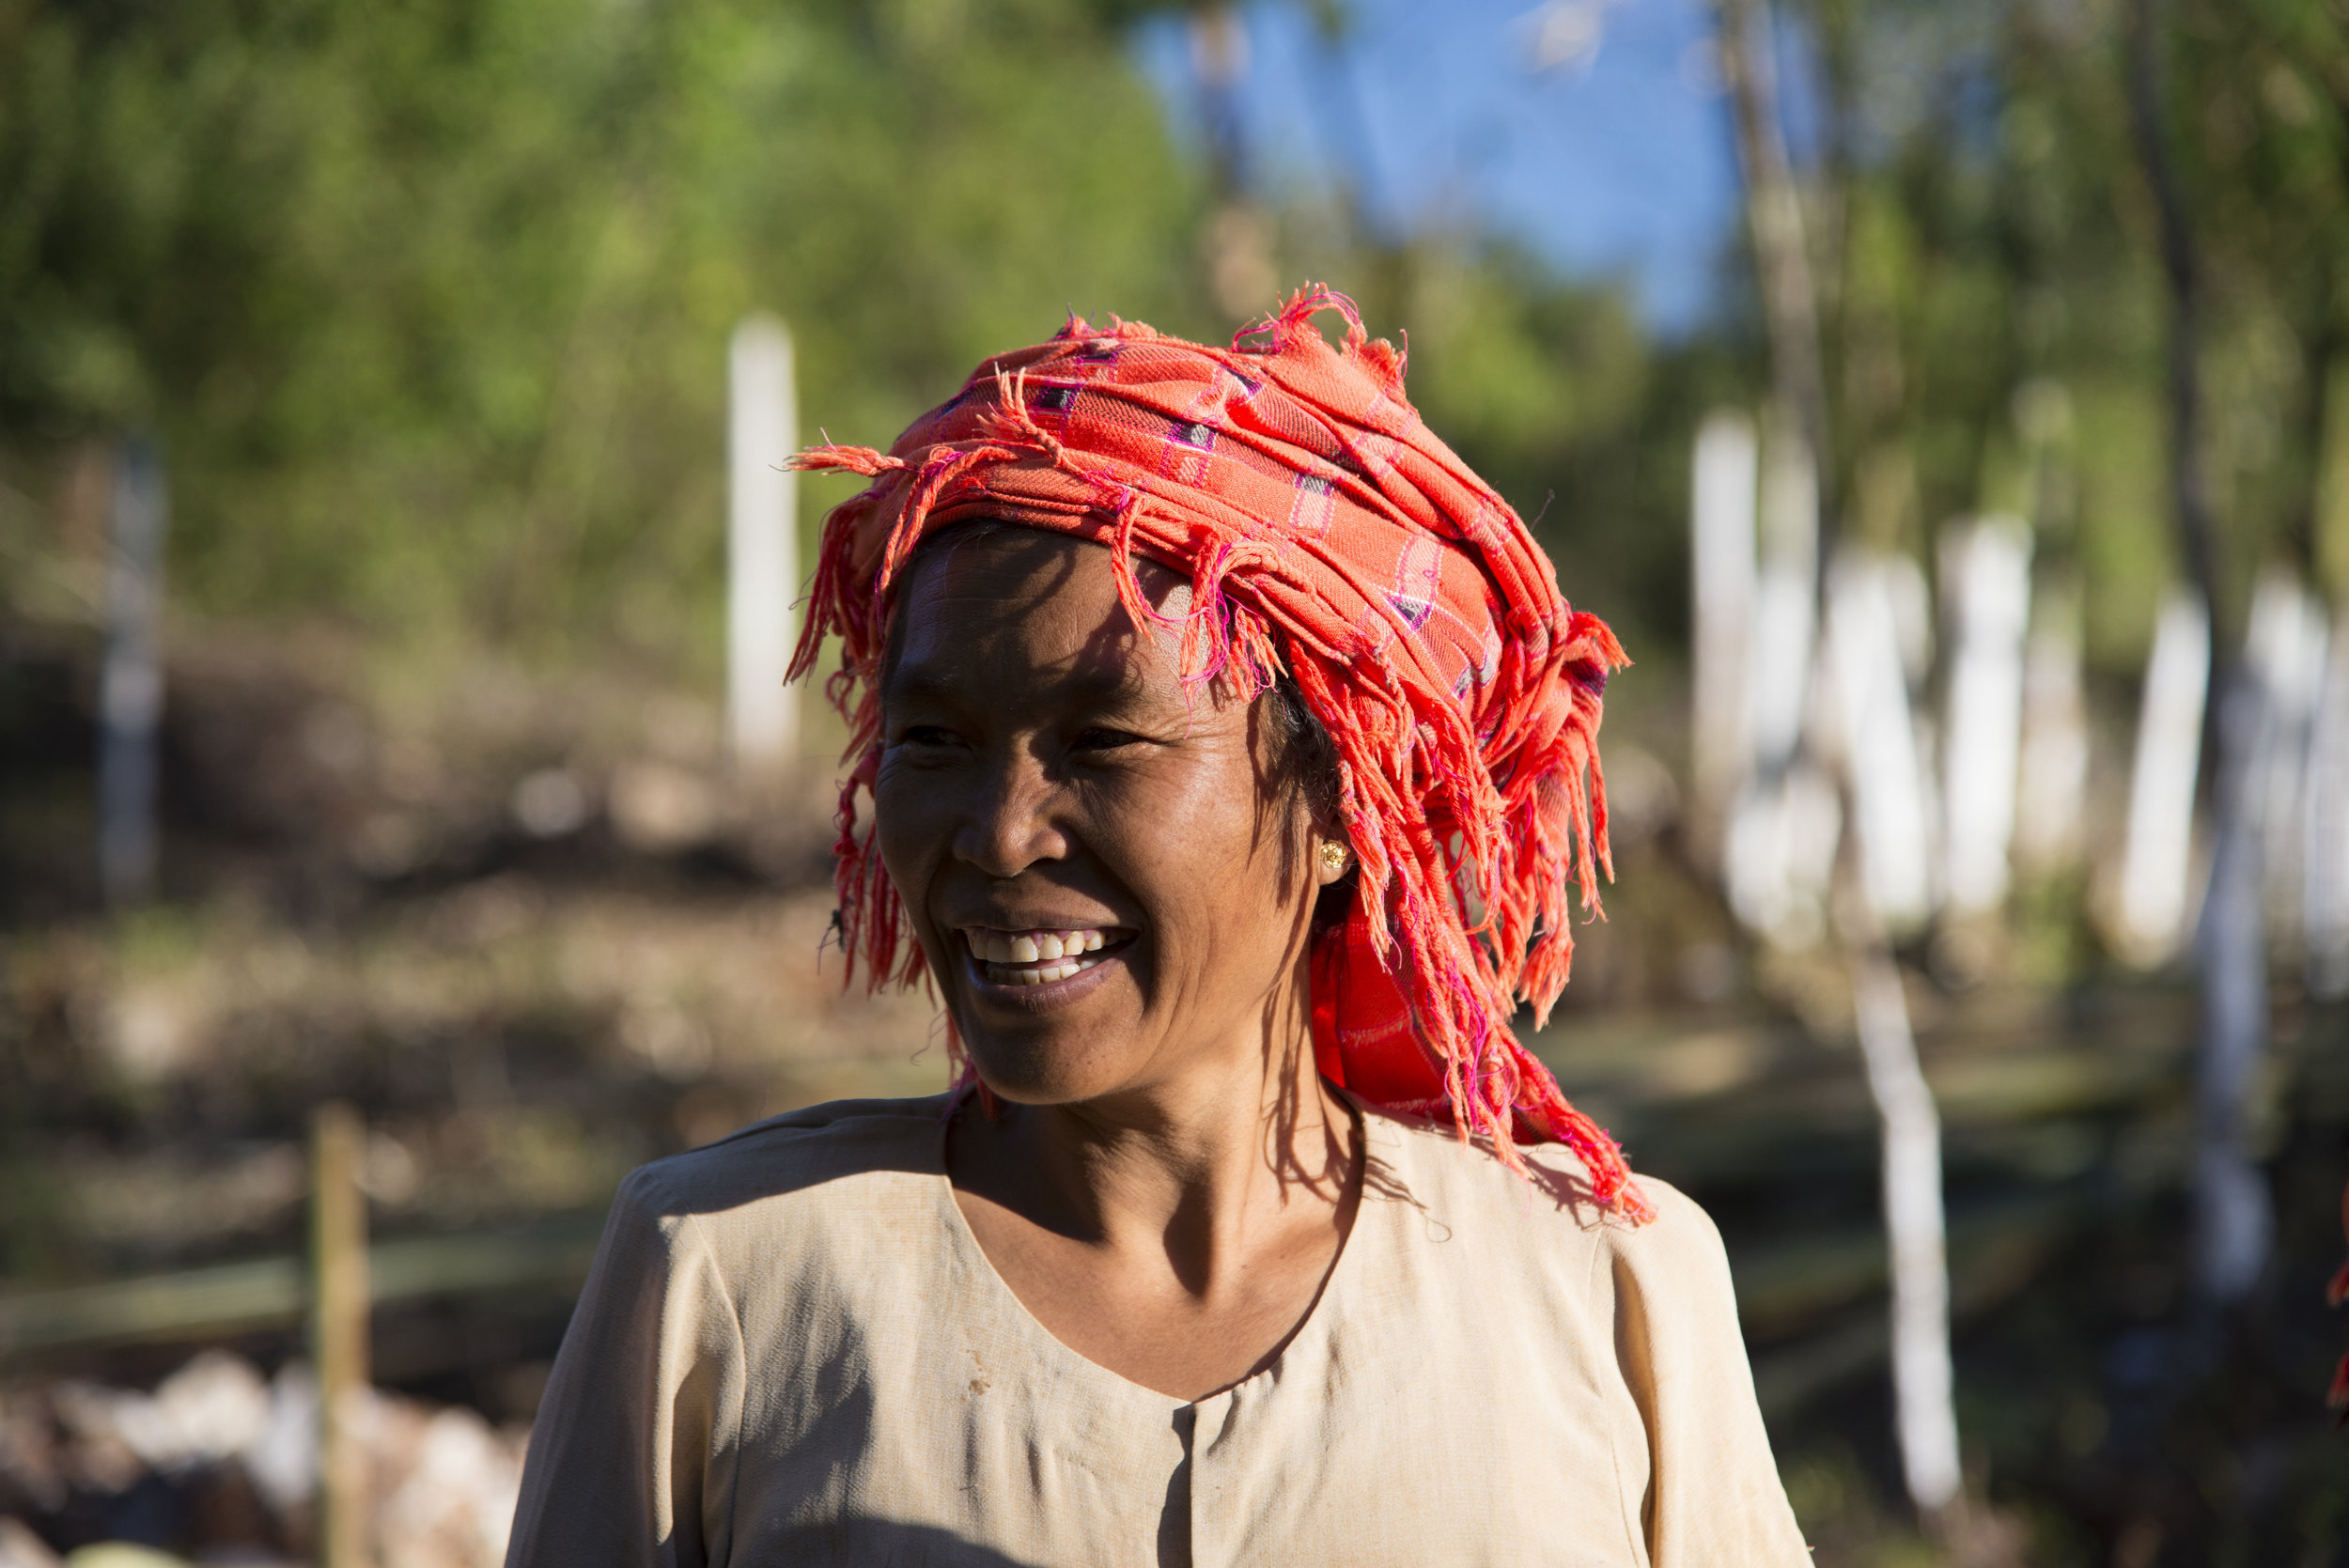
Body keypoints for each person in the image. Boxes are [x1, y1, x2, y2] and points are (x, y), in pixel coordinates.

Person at [505, 287, 1811, 1566]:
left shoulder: (1603, 1298)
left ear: (1348, 796)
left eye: (1105, 739)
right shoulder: (729, 1275)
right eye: (933, 740)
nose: (1001, 833)